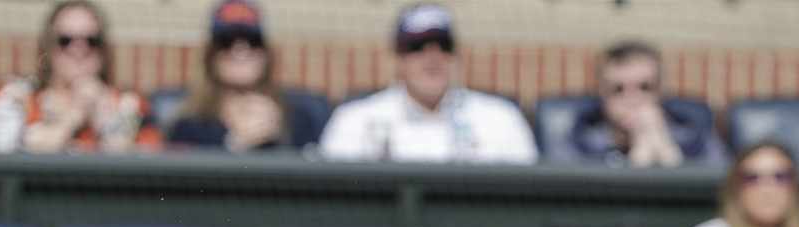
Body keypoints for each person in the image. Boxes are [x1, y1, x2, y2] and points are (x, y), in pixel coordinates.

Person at [318, 3, 536, 163]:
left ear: (456, 56)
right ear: (398, 60)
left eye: (444, 45)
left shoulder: (501, 120)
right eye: (418, 46)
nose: (433, 57)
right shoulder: (355, 121)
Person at [0, 0, 160, 154]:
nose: (79, 49)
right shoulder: (15, 97)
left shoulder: (129, 104)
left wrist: (106, 121)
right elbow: (1, 161)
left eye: (91, 41)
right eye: (65, 41)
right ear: (48, 48)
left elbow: (148, 173)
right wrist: (72, 118)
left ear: (103, 51)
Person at [164, 0, 321, 152]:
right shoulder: (190, 125)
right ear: (210, 55)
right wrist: (236, 145)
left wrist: (279, 138)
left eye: (253, 41)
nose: (240, 51)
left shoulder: (298, 116)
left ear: (266, 53)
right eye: (227, 42)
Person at [558, 40, 726, 168]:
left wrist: (665, 146)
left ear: (661, 90)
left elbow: (717, 190)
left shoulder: (694, 133)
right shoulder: (579, 137)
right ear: (601, 93)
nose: (633, 99)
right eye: (618, 90)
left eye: (645, 88)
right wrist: (640, 155)